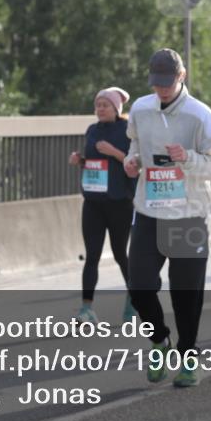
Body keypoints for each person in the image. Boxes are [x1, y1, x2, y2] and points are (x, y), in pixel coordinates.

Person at [123, 48, 211, 388]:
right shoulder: (140, 108)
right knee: (139, 287)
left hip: (189, 214)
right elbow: (134, 146)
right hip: (149, 209)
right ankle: (159, 340)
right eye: (157, 83)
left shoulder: (201, 116)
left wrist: (189, 158)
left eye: (168, 82)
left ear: (182, 77)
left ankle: (188, 357)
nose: (162, 89)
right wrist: (132, 161)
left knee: (186, 294)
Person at [68, 87, 136, 325]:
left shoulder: (127, 131)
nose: (100, 109)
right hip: (94, 202)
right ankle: (86, 309)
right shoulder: (92, 130)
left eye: (105, 105)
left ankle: (134, 298)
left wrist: (114, 152)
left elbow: (133, 163)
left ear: (117, 108)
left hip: (119, 202)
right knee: (92, 255)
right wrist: (80, 160)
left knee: (120, 254)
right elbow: (94, 161)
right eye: (98, 105)